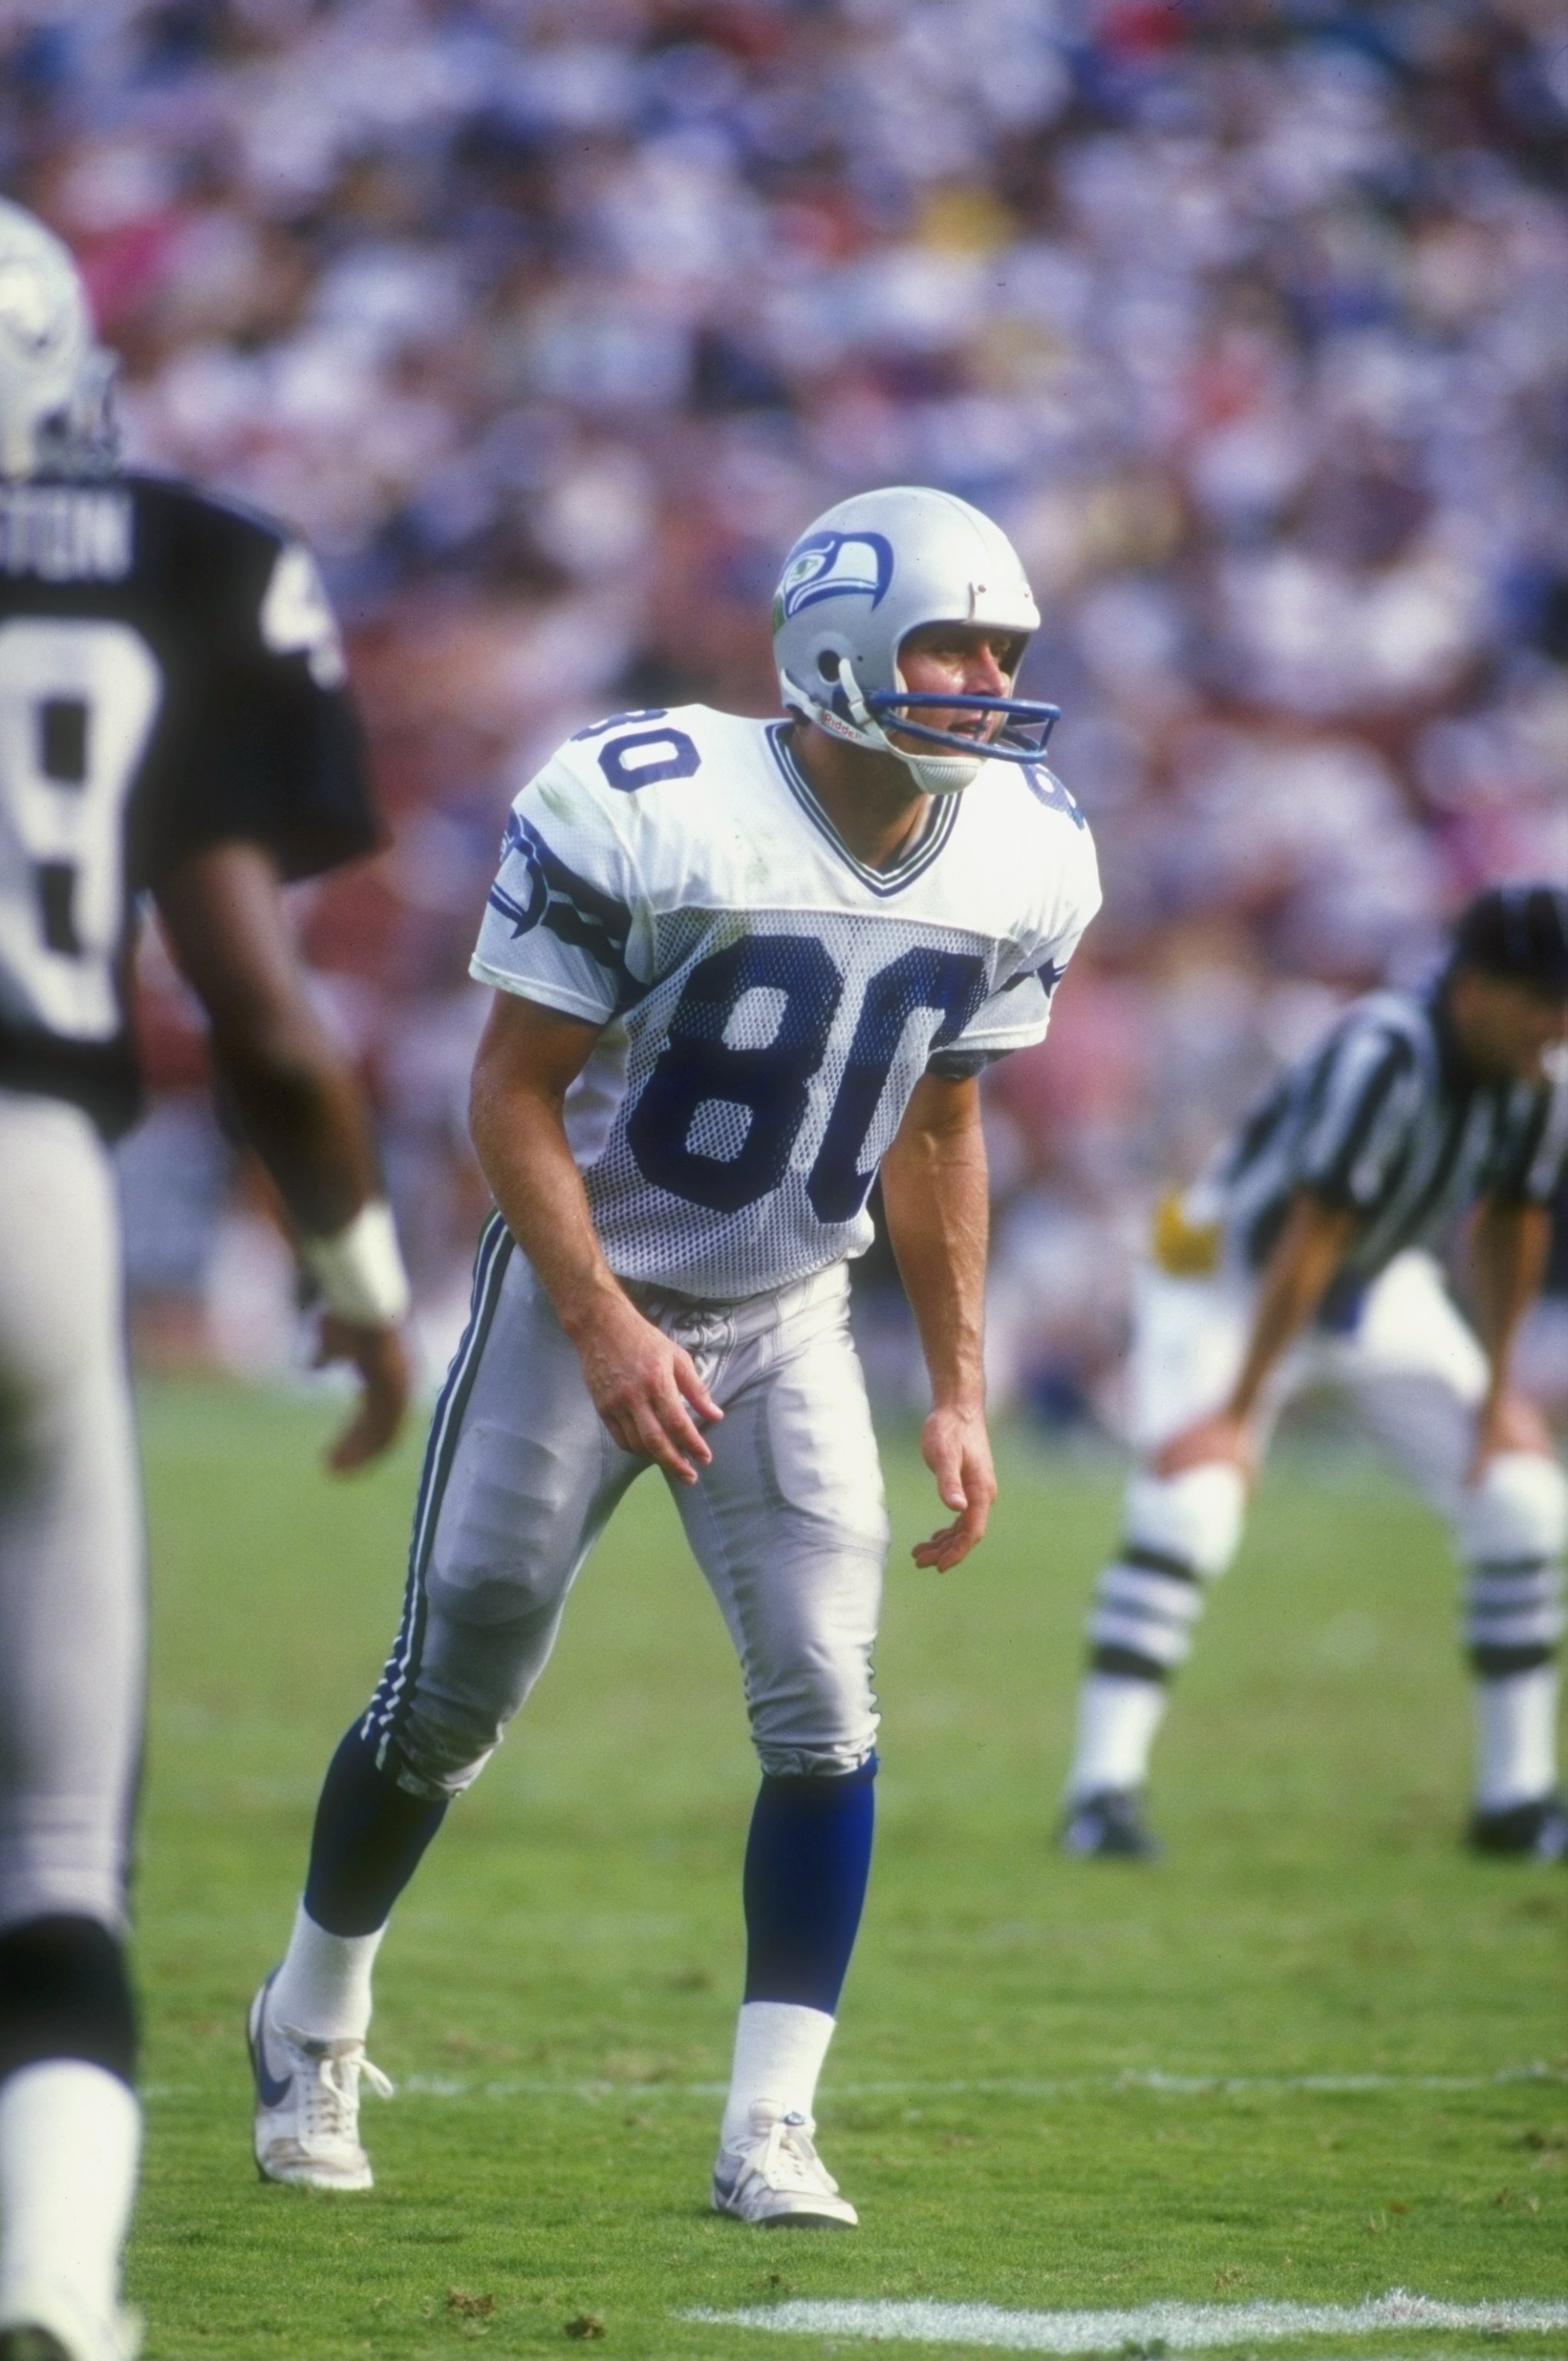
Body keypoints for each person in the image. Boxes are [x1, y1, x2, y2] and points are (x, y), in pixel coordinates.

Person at [246, 483, 1100, 2226]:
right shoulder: (656, 803)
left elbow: (942, 1120)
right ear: (836, 644)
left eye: (1003, 650)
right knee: (449, 1688)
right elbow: (507, 1089)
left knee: (823, 1698)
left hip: (790, 1309)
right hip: (591, 1290)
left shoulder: (1023, 847)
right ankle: (309, 2009)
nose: (983, 680)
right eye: (949, 643)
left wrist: (953, 1377)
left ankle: (768, 2125)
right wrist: (602, 1315)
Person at [0, 201, 412, 2361]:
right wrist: (357, 1275)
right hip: (31, 1180)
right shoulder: (180, 557)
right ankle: (56, 2287)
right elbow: (261, 1019)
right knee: (55, 1831)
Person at [1060, 885, 1568, 1863]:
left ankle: (1517, 1798)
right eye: (1540, 998)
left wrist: (1502, 1397)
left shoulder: (1535, 1078)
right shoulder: (1385, 1052)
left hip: (1376, 1286)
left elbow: (1513, 1222)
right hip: (1232, 1281)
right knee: (1192, 1500)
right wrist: (1240, 1417)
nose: (1555, 1022)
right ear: (1474, 991)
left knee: (1523, 1501)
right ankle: (1101, 1792)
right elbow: (1309, 1233)